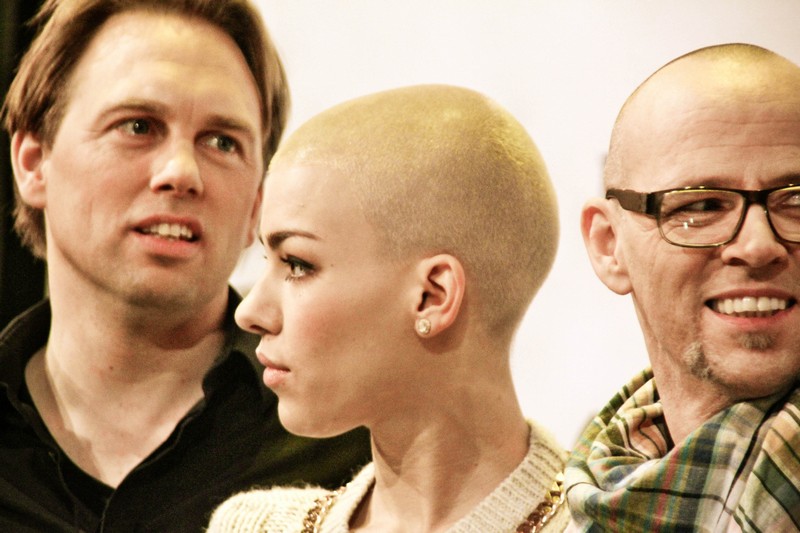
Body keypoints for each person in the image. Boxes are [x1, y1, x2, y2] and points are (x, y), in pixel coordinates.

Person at [0, 1, 370, 531]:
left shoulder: (351, 448)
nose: (181, 172)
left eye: (222, 142)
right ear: (34, 163)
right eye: (138, 126)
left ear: (257, 205)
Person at [206, 84, 570, 532]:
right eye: (267, 260)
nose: (249, 312)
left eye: (298, 265)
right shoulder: (253, 527)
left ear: (432, 296)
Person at [565, 43, 800, 532]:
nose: (758, 246)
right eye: (701, 205)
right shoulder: (576, 503)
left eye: (796, 201)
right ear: (609, 245)